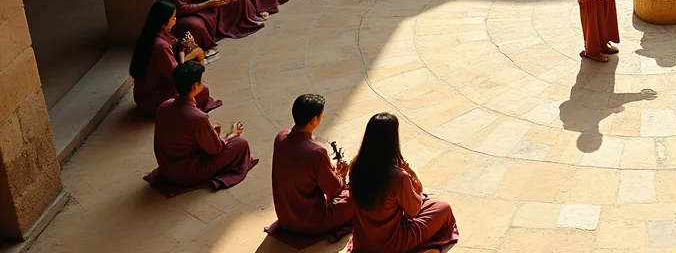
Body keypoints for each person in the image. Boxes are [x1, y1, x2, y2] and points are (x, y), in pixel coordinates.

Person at [349, 113, 458, 253]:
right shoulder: (398, 176)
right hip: (392, 244)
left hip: (363, 242)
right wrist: (411, 175)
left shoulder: (355, 165)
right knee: (443, 208)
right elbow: (414, 211)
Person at [148, 62, 256, 192]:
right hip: (187, 174)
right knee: (241, 144)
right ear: (195, 86)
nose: (204, 82)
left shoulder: (164, 106)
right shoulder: (197, 117)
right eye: (202, 80)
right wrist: (231, 134)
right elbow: (215, 150)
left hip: (166, 168)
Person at [267, 94, 353, 243]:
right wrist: (341, 174)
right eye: (321, 117)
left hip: (285, 218)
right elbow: (335, 189)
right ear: (314, 120)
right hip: (310, 223)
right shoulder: (316, 153)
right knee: (357, 195)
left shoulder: (281, 137)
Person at [130, 1, 220, 117]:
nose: (175, 20)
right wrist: (185, 53)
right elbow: (177, 76)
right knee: (202, 91)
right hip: (151, 100)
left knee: (198, 85)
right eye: (173, 17)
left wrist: (184, 46)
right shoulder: (160, 45)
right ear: (163, 22)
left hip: (153, 90)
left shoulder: (159, 33)